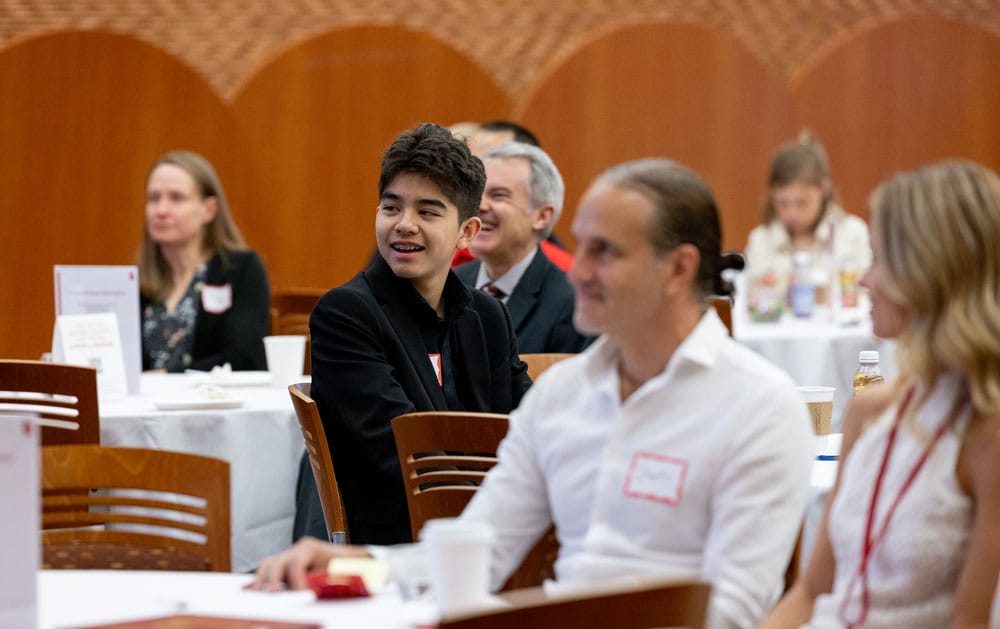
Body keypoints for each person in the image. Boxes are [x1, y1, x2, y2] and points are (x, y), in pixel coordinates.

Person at [257, 157, 814, 629]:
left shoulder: (759, 406)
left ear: (678, 268)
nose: (576, 272)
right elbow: (480, 549)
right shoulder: (565, 396)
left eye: (605, 252)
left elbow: (732, 611)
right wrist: (354, 565)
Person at [761, 160, 1000, 629]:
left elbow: (967, 621)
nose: (865, 280)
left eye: (879, 260)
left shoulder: (986, 435)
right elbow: (810, 592)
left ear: (931, 272)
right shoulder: (871, 411)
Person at [293, 123, 533, 545]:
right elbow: (400, 457)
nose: (404, 224)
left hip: (491, 528)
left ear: (467, 232)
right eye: (391, 208)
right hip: (399, 542)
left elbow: (526, 425)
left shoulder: (488, 316)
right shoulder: (346, 314)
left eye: (427, 211)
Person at [455, 141, 593, 354]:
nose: (480, 206)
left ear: (541, 216)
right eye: (477, 194)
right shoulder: (452, 284)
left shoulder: (572, 304)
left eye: (499, 195)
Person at [139, 150, 269, 372]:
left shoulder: (240, 270)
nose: (161, 210)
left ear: (208, 210)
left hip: (214, 404)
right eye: (154, 198)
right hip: (137, 407)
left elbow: (244, 358)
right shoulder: (138, 282)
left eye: (176, 198)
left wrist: (164, 377)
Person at [744, 132, 870, 307]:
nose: (792, 214)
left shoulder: (853, 233)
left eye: (802, 203)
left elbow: (869, 294)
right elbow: (747, 301)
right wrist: (761, 292)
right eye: (783, 203)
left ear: (824, 189)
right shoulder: (760, 240)